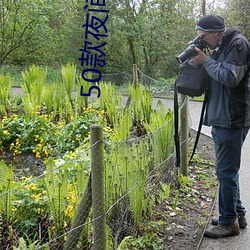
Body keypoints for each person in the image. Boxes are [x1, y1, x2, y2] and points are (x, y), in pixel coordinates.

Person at [192, 15, 250, 238]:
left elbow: (229, 77)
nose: (203, 41)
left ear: (216, 32)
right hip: (222, 117)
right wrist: (202, 59)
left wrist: (205, 61)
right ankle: (237, 214)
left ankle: (228, 223)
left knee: (225, 171)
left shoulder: (238, 44)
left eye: (204, 37)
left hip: (232, 118)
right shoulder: (221, 46)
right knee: (227, 171)